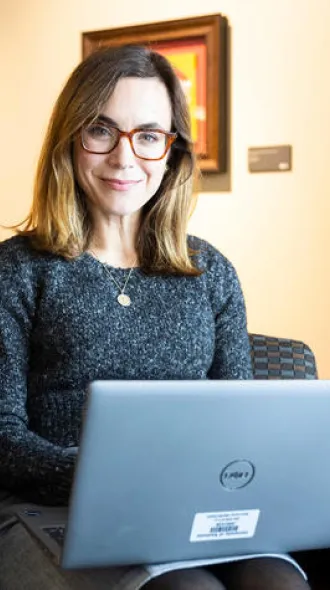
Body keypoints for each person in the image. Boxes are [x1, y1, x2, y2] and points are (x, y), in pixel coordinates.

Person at [0, 45, 310, 590]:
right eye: (101, 130)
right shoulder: (18, 271)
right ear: (71, 141)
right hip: (48, 510)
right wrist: (108, 477)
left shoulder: (209, 271)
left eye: (147, 135)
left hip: (187, 511)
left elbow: (236, 428)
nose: (125, 158)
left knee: (276, 582)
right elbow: (2, 438)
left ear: (171, 152)